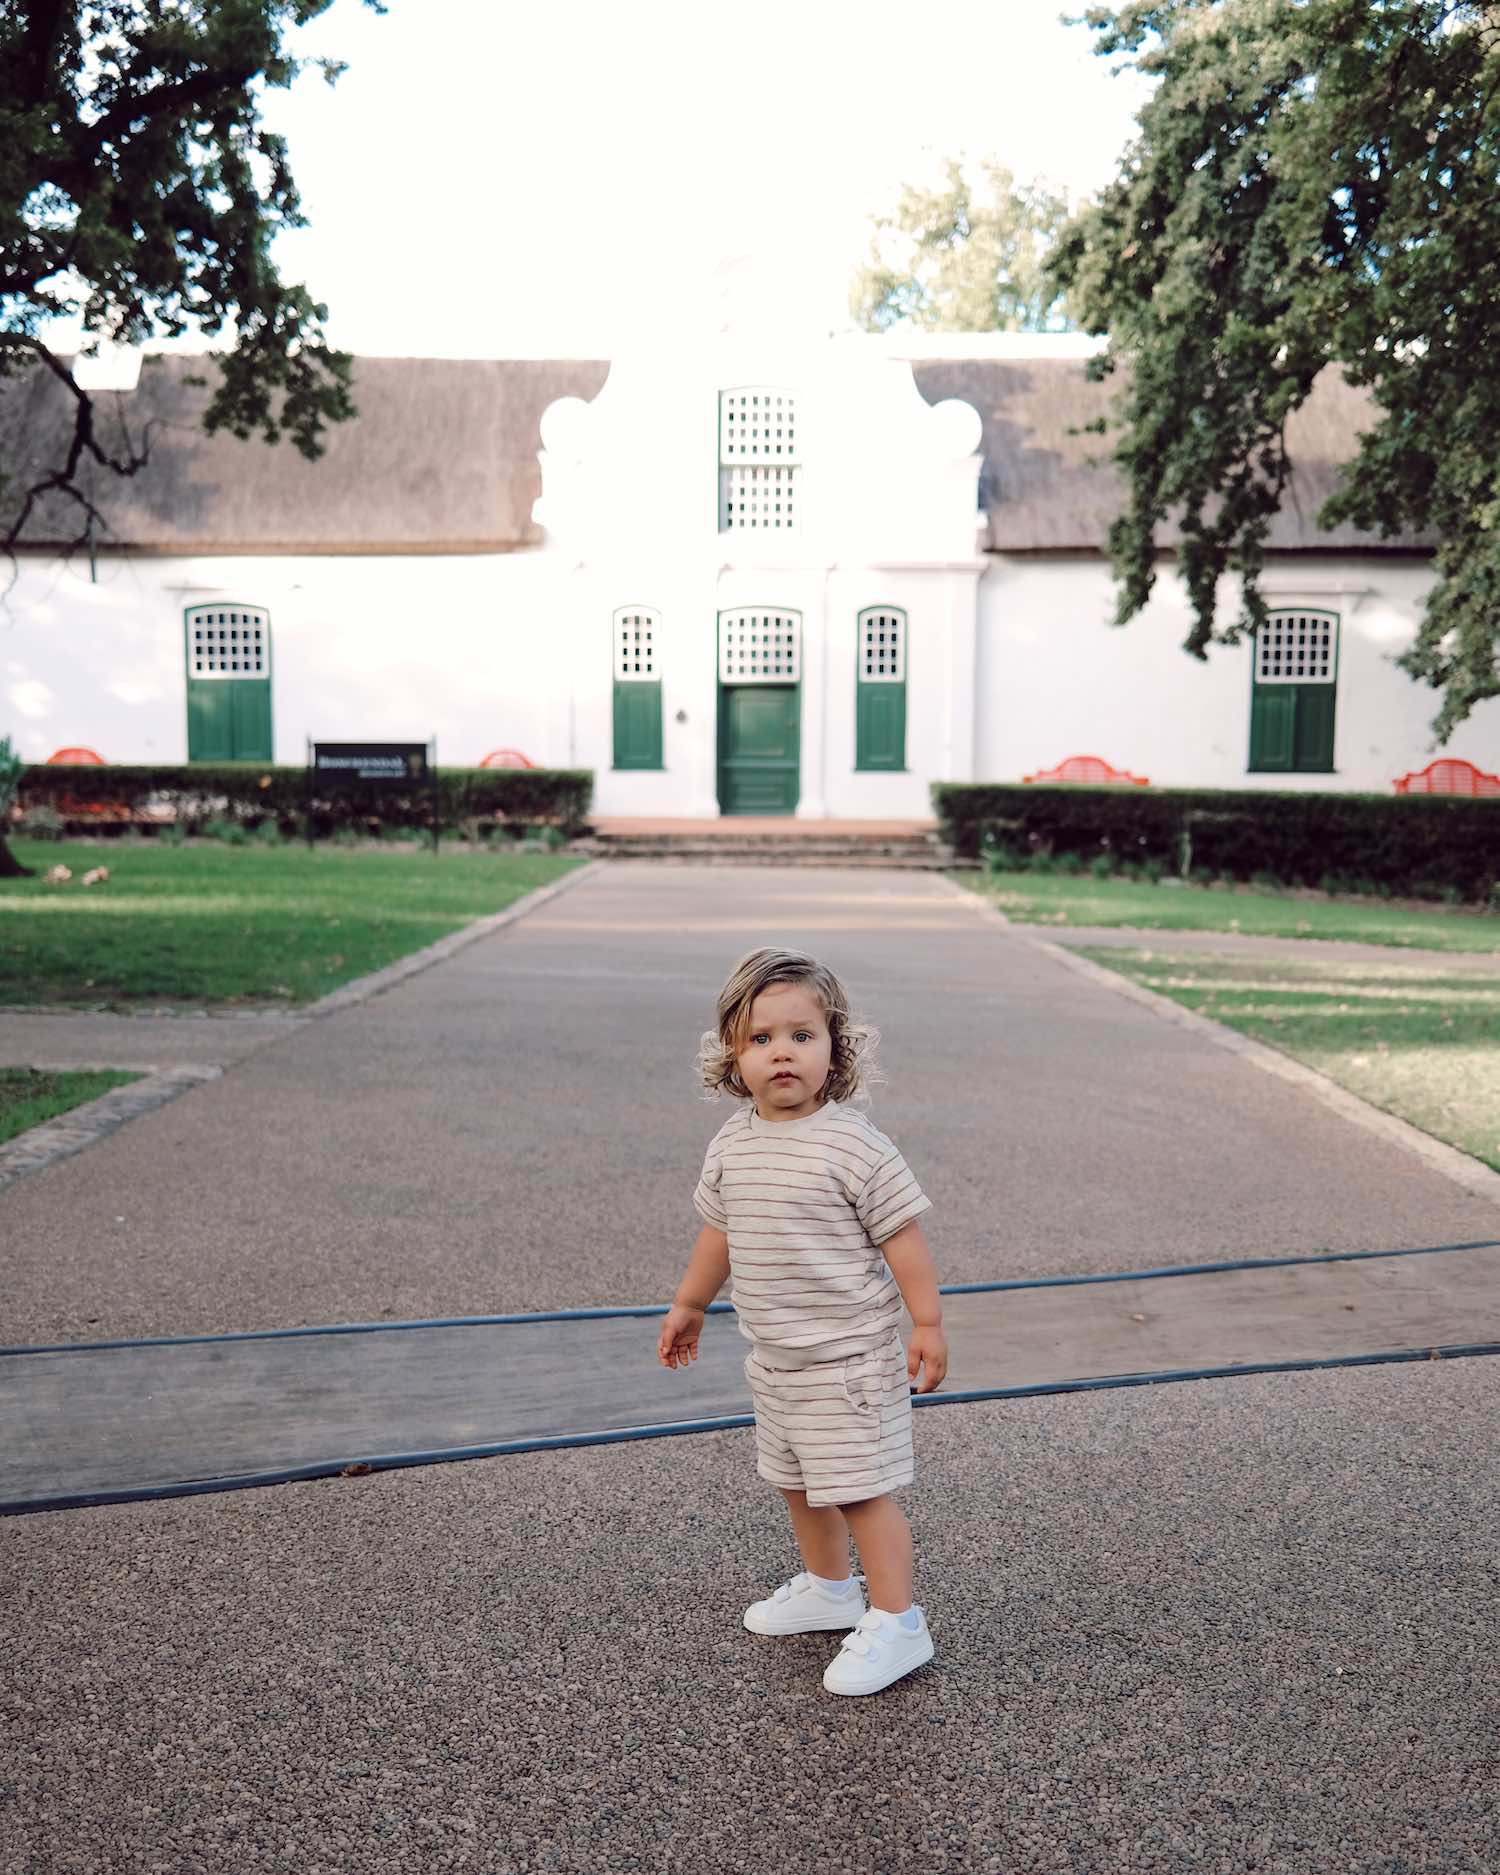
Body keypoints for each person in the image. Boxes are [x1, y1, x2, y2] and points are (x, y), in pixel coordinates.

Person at [657, 946, 948, 1697]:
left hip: (847, 1360)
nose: (781, 1051)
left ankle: (897, 1618)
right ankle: (829, 1587)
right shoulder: (733, 1142)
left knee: (858, 1488)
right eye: (760, 1039)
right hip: (776, 1357)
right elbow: (718, 1233)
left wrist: (927, 1321)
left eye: (801, 1035)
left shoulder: (851, 1143)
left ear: (836, 1048)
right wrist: (691, 1303)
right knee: (797, 1481)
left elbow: (902, 1236)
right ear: (732, 1054)